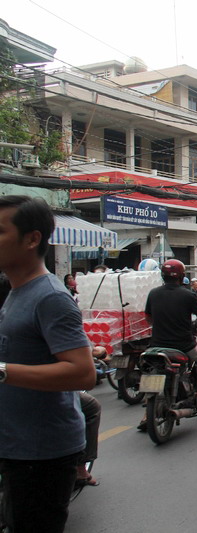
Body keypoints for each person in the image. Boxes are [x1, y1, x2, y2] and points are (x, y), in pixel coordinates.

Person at [0, 195, 96, 532]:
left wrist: (2, 372)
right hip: (16, 444)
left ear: (31, 239)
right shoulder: (15, 291)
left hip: (41, 454)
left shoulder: (51, 297)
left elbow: (83, 372)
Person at [144, 260, 197, 395]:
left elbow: (148, 319)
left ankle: (147, 410)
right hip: (184, 345)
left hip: (156, 344)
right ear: (181, 276)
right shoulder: (188, 295)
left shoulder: (153, 293)